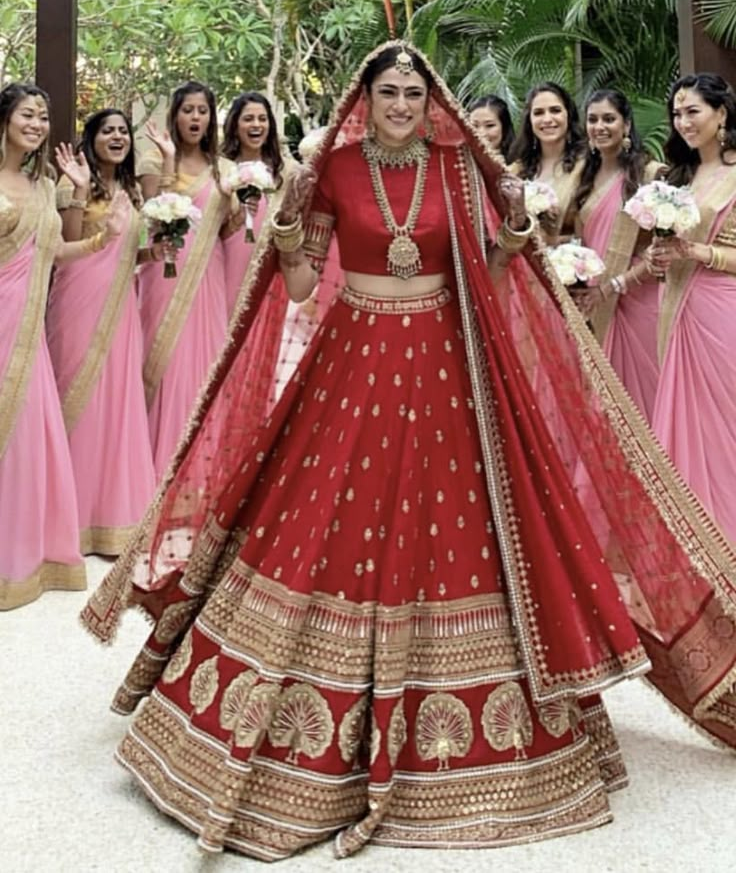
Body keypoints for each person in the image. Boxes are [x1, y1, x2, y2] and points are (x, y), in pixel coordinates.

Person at [82, 45, 736, 859]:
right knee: (325, 522)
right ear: (367, 97)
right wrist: (286, 235)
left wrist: (516, 234)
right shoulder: (333, 167)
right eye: (386, 91)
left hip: (439, 369)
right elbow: (296, 287)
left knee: (452, 530)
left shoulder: (461, 172)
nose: (399, 103)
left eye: (412, 93)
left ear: (433, 101)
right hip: (350, 362)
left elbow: (491, 271)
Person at [0, 84, 124, 608]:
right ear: (4, 118)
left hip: (29, 326)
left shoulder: (44, 184)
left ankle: (22, 554)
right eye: (27, 114)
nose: (37, 123)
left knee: (27, 432)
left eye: (44, 116)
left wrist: (103, 238)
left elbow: (54, 252)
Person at [45, 109, 158, 557]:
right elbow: (65, 248)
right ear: (91, 139)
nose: (117, 137)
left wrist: (155, 252)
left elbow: (127, 253)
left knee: (116, 404)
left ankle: (112, 520)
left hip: (121, 306)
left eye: (122, 131)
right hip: (77, 303)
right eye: (107, 130)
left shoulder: (129, 189)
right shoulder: (70, 182)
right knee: (78, 396)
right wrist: (75, 190)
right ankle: (67, 521)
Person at [648, 73, 736, 545]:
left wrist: (701, 254)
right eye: (677, 113)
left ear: (721, 114)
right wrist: (657, 256)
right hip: (678, 310)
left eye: (693, 111)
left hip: (723, 316)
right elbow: (664, 250)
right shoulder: (675, 177)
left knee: (727, 435)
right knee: (687, 436)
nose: (683, 122)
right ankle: (697, 553)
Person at [137, 80, 234, 479]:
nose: (196, 118)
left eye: (203, 111)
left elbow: (224, 232)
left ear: (212, 118)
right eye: (188, 110)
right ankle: (154, 475)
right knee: (164, 363)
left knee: (203, 364)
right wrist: (170, 160)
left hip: (207, 277)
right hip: (165, 271)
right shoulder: (152, 158)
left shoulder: (223, 169)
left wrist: (240, 216)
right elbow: (153, 216)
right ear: (175, 114)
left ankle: (201, 475)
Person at [571, 90, 664, 422]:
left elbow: (662, 252)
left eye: (608, 119)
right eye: (593, 119)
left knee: (643, 403)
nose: (600, 127)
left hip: (638, 302)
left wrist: (614, 284)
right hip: (594, 305)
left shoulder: (650, 175)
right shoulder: (583, 176)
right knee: (603, 410)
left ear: (626, 125)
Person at [220, 91, 286, 318]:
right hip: (227, 266)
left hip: (269, 269)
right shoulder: (222, 170)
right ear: (235, 125)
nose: (256, 124)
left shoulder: (285, 172)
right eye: (248, 119)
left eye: (262, 118)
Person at [509, 81, 585, 242]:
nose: (547, 119)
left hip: (572, 261)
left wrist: (553, 241)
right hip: (520, 262)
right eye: (538, 113)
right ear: (529, 121)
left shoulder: (587, 165)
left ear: (568, 115)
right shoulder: (516, 171)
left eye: (555, 110)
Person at [468, 94, 515, 161]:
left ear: (504, 127)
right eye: (474, 126)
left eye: (490, 125)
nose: (481, 133)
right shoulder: (458, 160)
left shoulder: (522, 163)